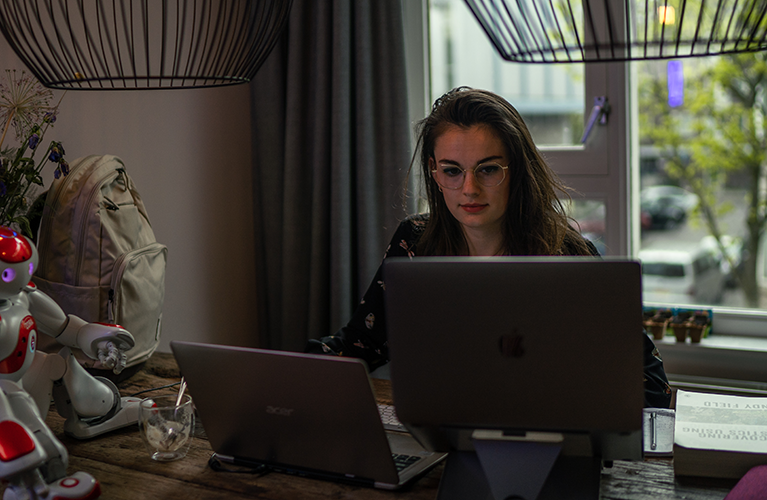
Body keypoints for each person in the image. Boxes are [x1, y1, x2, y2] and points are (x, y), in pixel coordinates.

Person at [306, 86, 672, 409]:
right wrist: (286, 367)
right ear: (434, 171)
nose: (469, 189)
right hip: (443, 443)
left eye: (488, 169)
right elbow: (358, 347)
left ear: (518, 169)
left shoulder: (567, 256)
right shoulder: (414, 241)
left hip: (551, 443)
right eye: (452, 171)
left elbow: (650, 384)